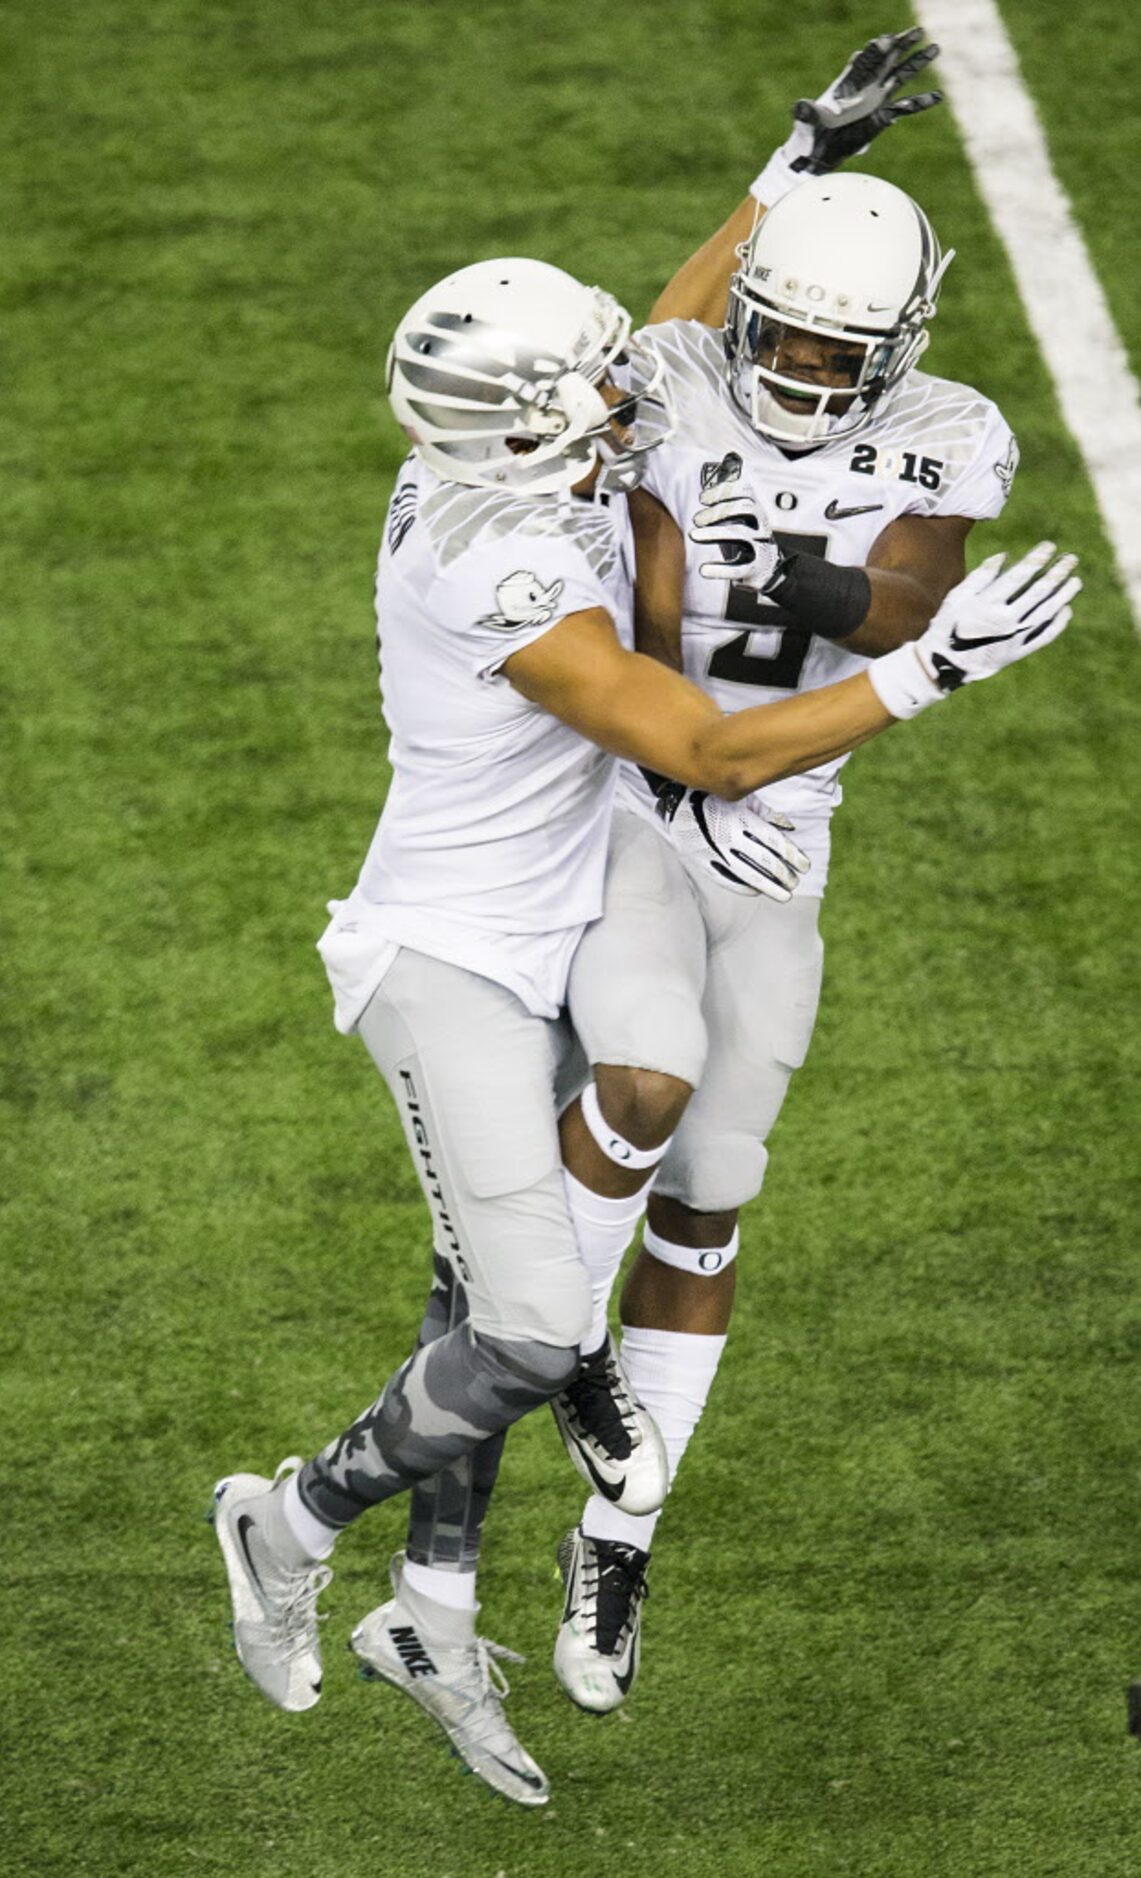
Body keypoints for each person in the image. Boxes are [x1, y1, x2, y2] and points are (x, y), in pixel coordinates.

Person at [210, 244, 1076, 1804]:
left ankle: (436, 1617)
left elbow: (668, 334)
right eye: (588, 387)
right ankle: (287, 1522)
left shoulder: (530, 455)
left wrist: (783, 175)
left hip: (574, 901)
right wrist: (925, 670)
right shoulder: (501, 562)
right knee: (526, 1323)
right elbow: (703, 749)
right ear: (529, 430)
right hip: (461, 954)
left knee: (566, 1194)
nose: (632, 389)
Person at [545, 32, 1048, 1714]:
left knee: (715, 1180)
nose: (810, 373)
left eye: (849, 353)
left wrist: (825, 600)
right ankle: (544, 1337)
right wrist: (786, 168)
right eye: (789, 331)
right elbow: (659, 365)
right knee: (635, 1074)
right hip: (632, 794)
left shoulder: (952, 431)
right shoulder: (685, 372)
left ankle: (621, 1528)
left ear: (903, 346)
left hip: (781, 830)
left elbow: (910, 605)